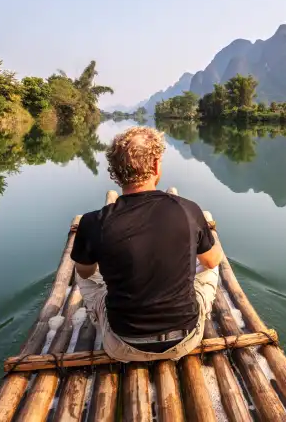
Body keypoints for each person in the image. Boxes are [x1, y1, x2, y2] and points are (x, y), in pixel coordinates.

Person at [71, 126, 225, 362]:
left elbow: (85, 271)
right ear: (155, 166)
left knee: (81, 267)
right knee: (210, 265)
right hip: (184, 340)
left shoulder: (93, 222)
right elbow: (212, 261)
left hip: (123, 344)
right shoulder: (187, 209)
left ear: (115, 171)